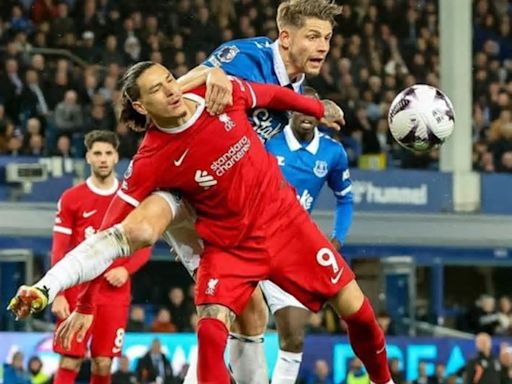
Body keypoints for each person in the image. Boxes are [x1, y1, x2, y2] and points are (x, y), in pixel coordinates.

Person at [9, 62, 392, 384]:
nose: (170, 91)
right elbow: (114, 230)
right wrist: (82, 299)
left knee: (358, 312)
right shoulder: (151, 158)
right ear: (141, 106)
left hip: (286, 224)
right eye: (156, 90)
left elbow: (273, 96)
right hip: (229, 247)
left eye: (169, 80)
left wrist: (312, 107)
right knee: (210, 327)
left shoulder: (221, 95)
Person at [179, 1, 346, 381]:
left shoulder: (296, 83)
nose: (323, 46)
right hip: (187, 191)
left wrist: (318, 108)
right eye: (313, 36)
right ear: (285, 37)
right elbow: (180, 85)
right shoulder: (246, 55)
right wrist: (211, 75)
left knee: (250, 313)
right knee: (225, 307)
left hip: (219, 199)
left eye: (327, 38)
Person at [263, 86, 353, 381]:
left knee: (293, 338)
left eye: (312, 109)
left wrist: (337, 238)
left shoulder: (332, 152)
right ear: (290, 109)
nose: (307, 115)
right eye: (300, 107)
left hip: (293, 250)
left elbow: (345, 198)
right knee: (223, 320)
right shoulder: (268, 141)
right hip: (252, 240)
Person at [49, 130, 151, 384]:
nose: (103, 159)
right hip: (76, 291)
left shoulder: (131, 199)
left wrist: (126, 270)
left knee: (103, 363)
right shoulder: (72, 199)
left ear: (117, 157)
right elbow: (59, 247)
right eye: (97, 153)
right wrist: (57, 291)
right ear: (88, 157)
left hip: (114, 293)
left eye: (108, 153)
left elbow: (146, 242)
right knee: (70, 358)